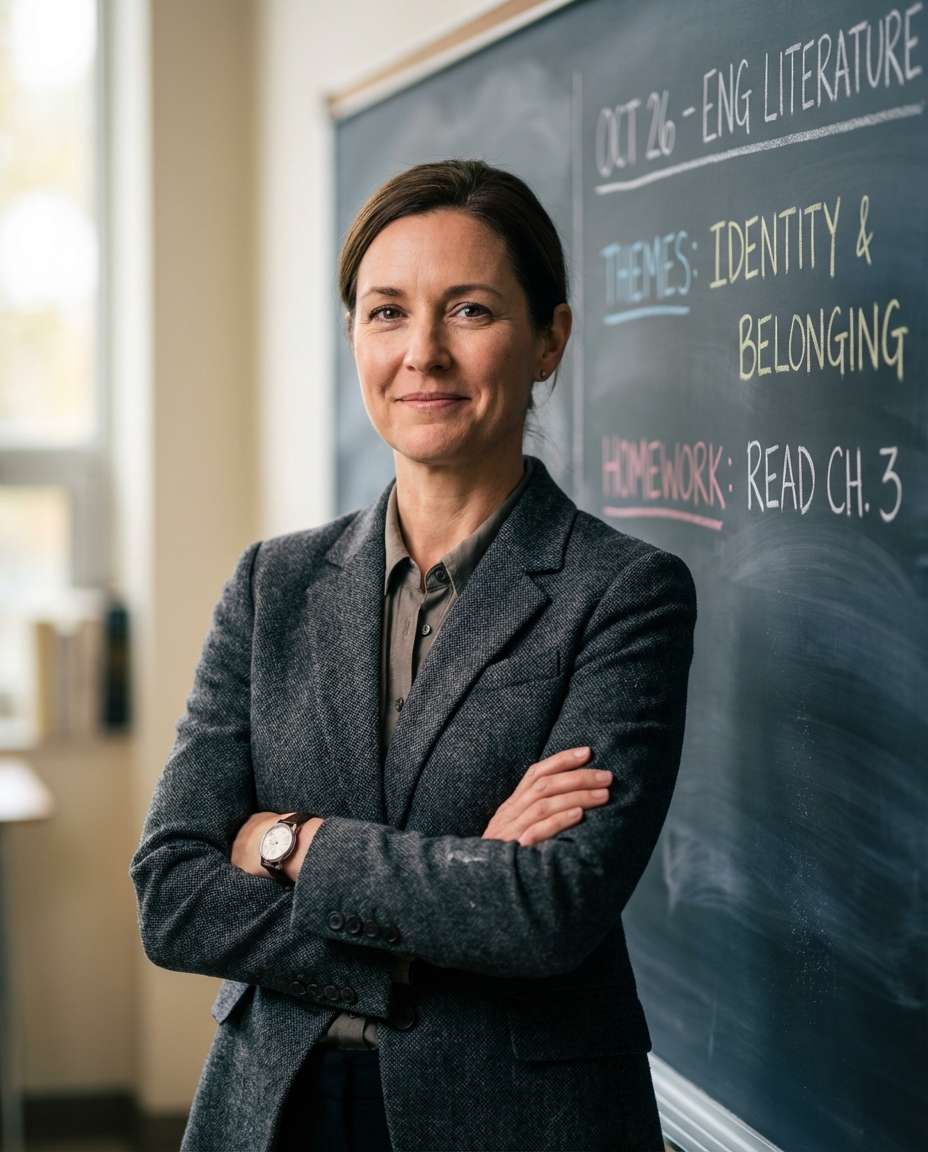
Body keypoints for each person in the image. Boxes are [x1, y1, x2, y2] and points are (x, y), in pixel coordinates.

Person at [129, 158, 697, 1152]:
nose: (421, 353)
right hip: (277, 1107)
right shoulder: (275, 585)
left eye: (469, 310)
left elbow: (547, 909)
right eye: (386, 312)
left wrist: (290, 844)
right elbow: (173, 894)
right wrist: (460, 886)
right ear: (354, 335)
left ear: (547, 339)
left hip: (516, 1120)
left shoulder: (624, 594)